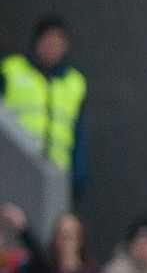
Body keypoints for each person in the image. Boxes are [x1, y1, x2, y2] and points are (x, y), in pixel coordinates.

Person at [0, 17, 88, 197]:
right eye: (48, 39)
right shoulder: (11, 70)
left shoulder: (74, 83)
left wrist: (78, 179)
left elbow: (78, 133)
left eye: (58, 41)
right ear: (37, 41)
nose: (52, 46)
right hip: (14, 173)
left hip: (57, 177)